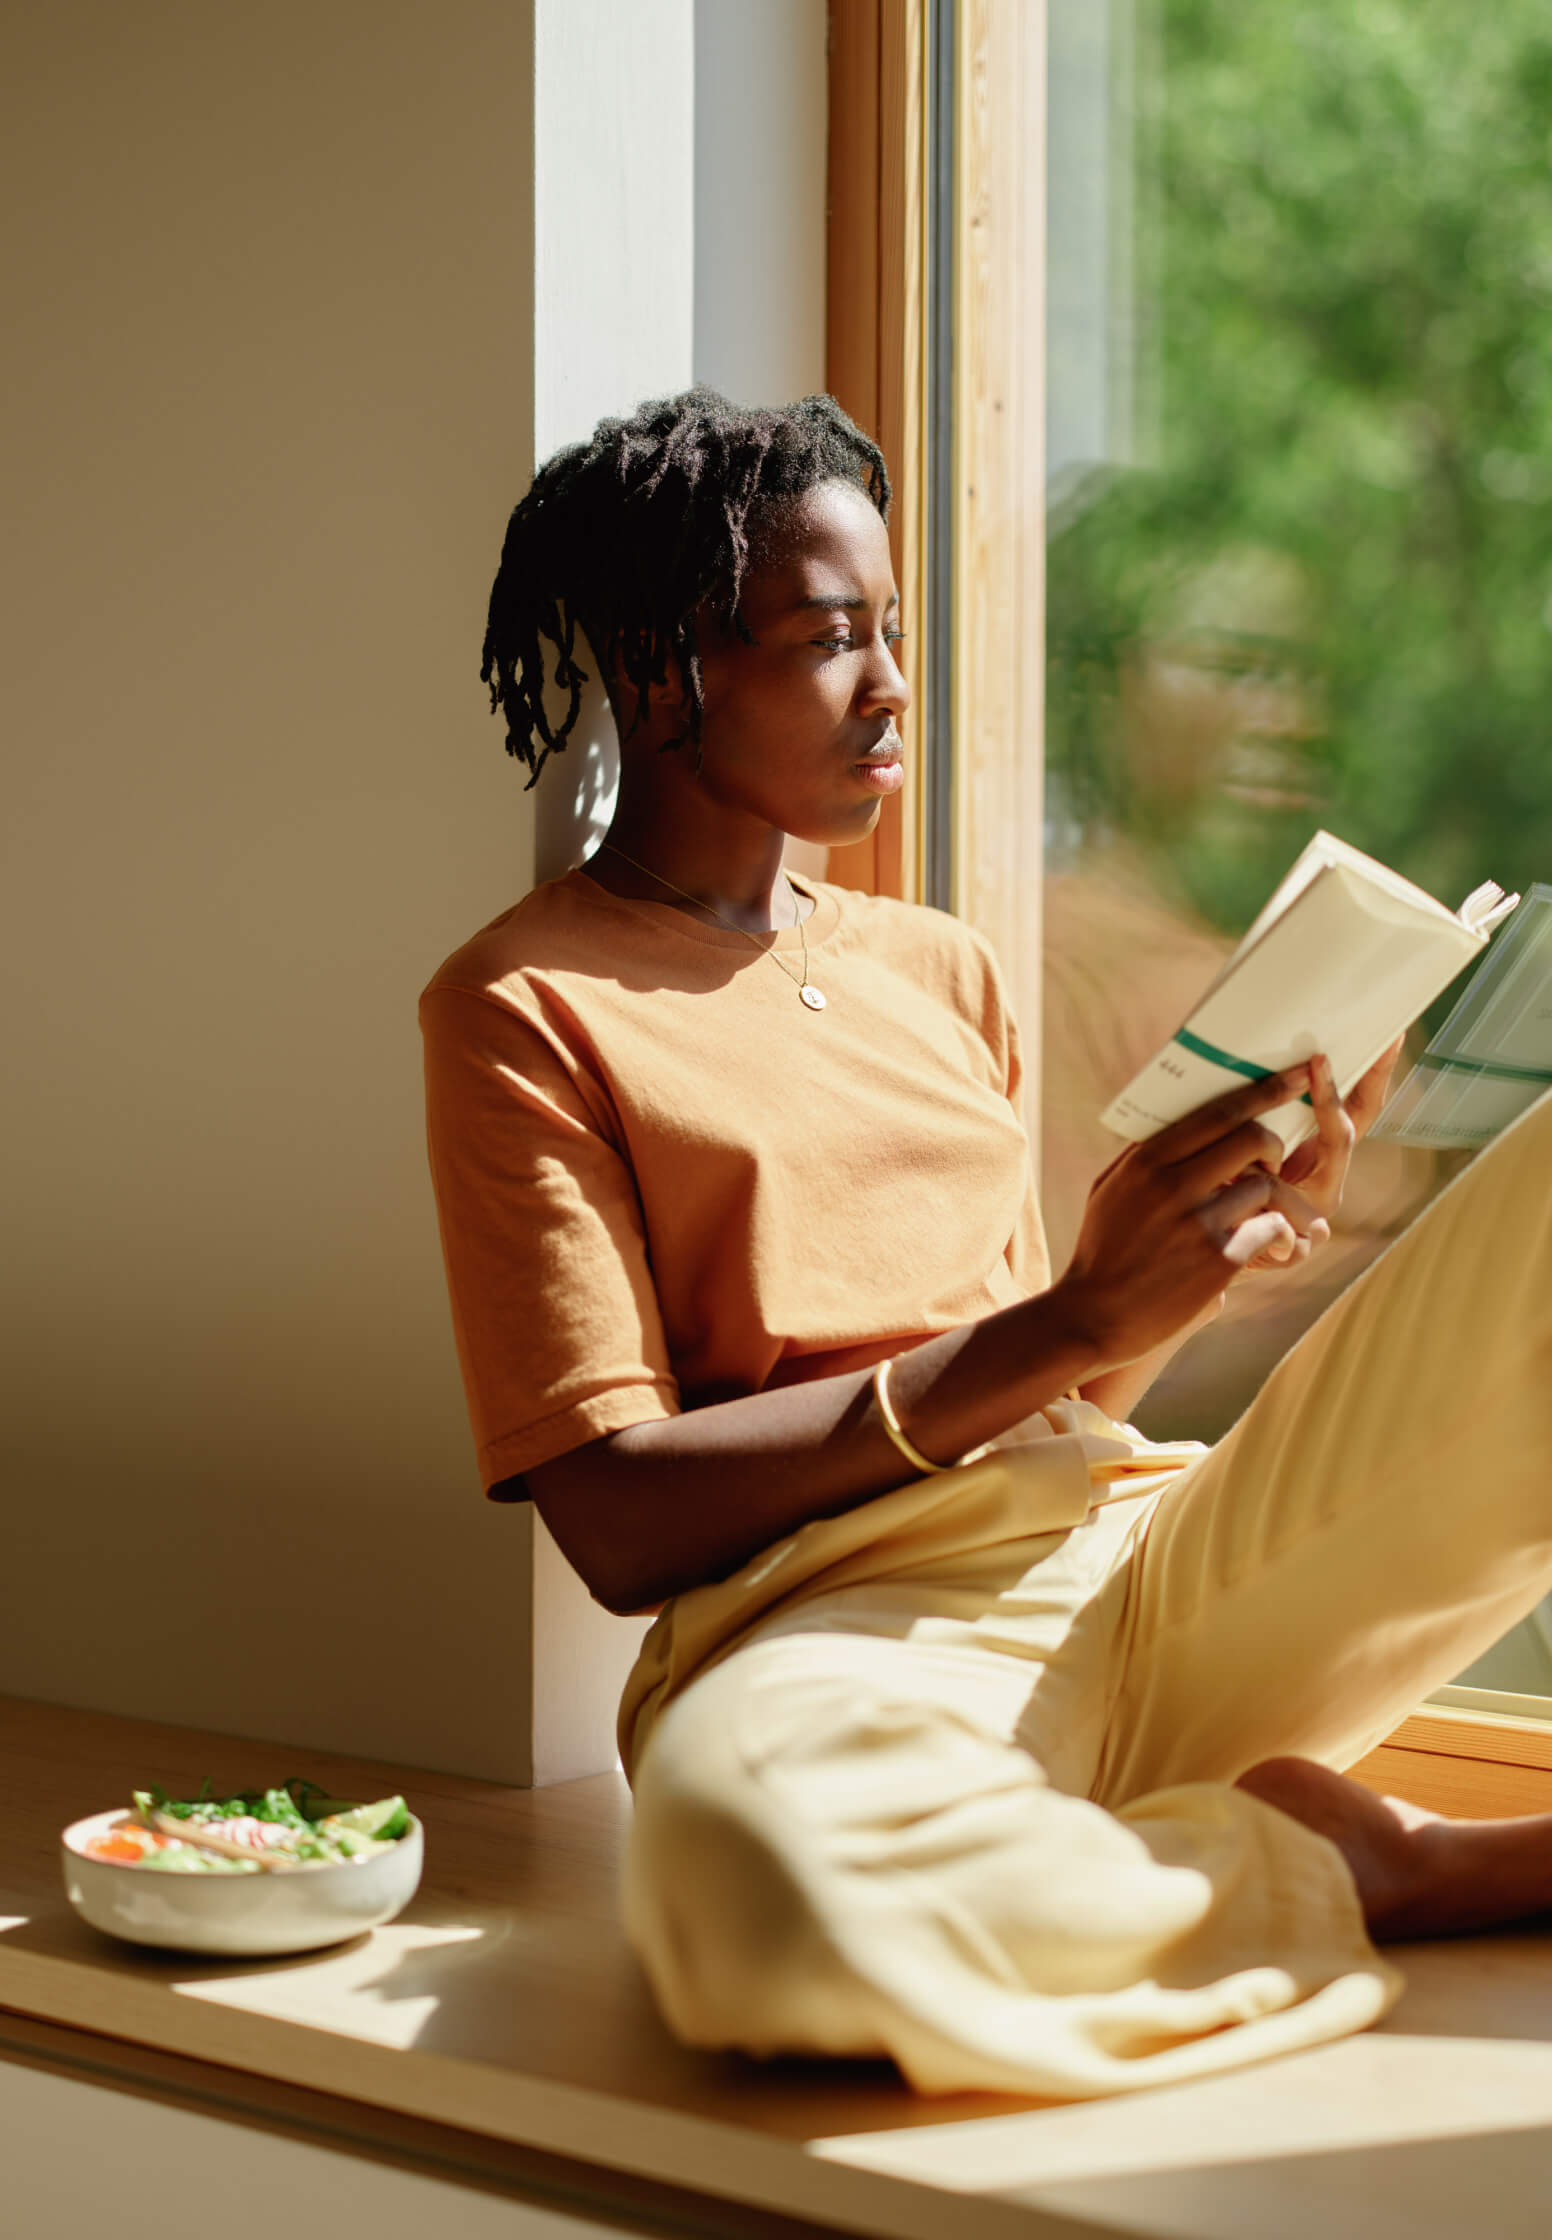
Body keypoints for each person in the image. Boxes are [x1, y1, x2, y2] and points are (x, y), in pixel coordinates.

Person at [421, 388, 1552, 2099]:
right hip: (835, 1643)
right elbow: (615, 1514)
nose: (889, 684)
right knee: (758, 1899)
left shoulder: (938, 965)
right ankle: (1393, 1863)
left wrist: (1208, 1240)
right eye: (825, 640)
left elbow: (1063, 1390)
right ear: (664, 670)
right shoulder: (522, 1007)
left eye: (889, 631)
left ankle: (1193, 1840)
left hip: (1155, 1559)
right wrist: (1077, 1311)